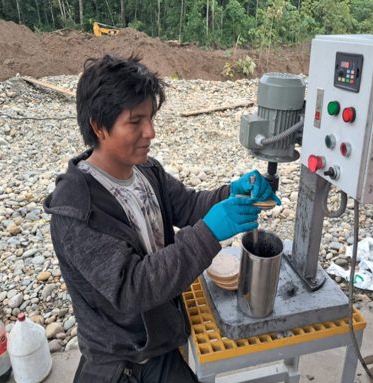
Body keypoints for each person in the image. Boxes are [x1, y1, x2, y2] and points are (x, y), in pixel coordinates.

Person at [43, 54, 280, 383]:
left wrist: (231, 193)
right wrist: (210, 232)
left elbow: (187, 205)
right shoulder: (76, 211)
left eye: (151, 118)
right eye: (135, 121)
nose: (150, 132)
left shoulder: (144, 170)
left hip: (161, 324)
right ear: (99, 126)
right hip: (128, 354)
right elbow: (133, 288)